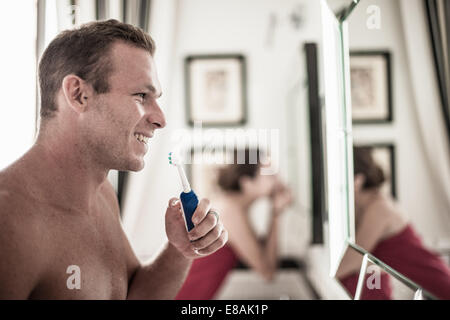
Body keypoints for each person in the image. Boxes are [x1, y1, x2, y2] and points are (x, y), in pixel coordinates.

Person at [0, 19, 228, 299]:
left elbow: (133, 296)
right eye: (141, 95)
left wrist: (181, 249)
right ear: (78, 94)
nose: (160, 119)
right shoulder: (9, 220)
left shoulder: (103, 195)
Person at [175, 149, 293, 300]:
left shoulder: (232, 207)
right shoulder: (229, 211)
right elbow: (267, 272)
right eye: (270, 174)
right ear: (247, 182)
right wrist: (276, 213)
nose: (278, 180)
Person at [336, 146, 450, 300]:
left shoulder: (378, 208)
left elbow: (352, 261)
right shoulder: (368, 207)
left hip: (437, 286)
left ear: (358, 180)